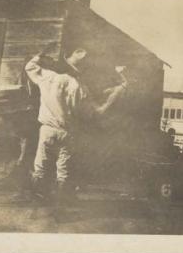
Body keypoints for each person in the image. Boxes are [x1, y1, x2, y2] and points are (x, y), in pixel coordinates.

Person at [25, 47, 127, 216]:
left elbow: (30, 67)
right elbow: (95, 112)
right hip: (68, 133)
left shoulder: (49, 77)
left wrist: (40, 54)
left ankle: (34, 209)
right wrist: (114, 95)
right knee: (63, 172)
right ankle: (59, 211)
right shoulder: (80, 88)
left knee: (40, 168)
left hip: (47, 130)